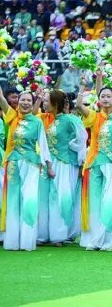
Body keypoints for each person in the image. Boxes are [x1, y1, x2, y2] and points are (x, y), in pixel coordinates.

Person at [1, 89, 54, 251]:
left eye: (28, 101)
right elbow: (1, 98)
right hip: (13, 163)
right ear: (18, 102)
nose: (25, 103)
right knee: (13, 201)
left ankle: (27, 241)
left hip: (31, 164)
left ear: (32, 104)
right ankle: (12, 242)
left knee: (29, 200)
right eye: (22, 100)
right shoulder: (12, 116)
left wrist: (49, 166)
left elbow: (43, 144)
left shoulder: (37, 122)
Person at [79, 87, 112, 251]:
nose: (106, 99)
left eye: (109, 96)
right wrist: (82, 89)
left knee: (111, 201)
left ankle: (107, 241)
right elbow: (79, 106)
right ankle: (93, 240)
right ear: (99, 99)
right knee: (95, 202)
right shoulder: (94, 116)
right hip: (94, 163)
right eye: (103, 96)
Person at [44, 90, 87, 246]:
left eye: (47, 100)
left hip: (66, 163)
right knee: (52, 198)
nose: (44, 103)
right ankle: (53, 233)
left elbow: (82, 139)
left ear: (55, 103)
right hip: (53, 163)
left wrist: (78, 158)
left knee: (63, 198)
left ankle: (60, 234)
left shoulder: (70, 119)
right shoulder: (53, 120)